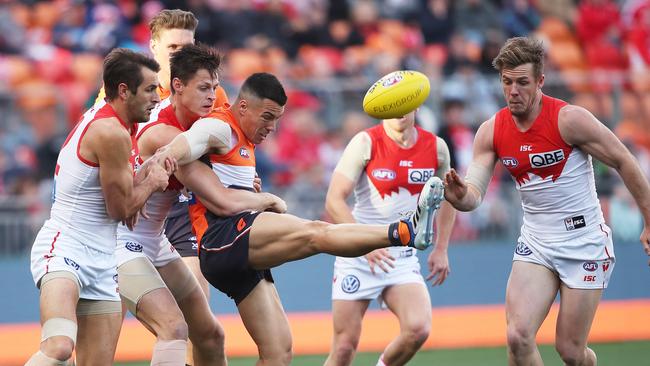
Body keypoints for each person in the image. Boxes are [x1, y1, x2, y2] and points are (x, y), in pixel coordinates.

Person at [187, 72, 445, 365]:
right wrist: (162, 157)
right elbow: (184, 143)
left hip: (239, 245)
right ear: (243, 107)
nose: (272, 127)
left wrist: (252, 189)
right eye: (268, 117)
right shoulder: (219, 124)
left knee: (279, 354)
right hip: (221, 238)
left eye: (277, 119)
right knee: (316, 234)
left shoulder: (243, 137)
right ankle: (405, 231)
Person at [443, 36, 650, 366]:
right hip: (536, 241)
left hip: (583, 241)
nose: (513, 91)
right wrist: (459, 196)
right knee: (517, 336)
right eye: (507, 82)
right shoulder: (491, 130)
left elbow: (624, 160)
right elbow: (473, 195)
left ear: (540, 80)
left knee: (570, 351)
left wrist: (649, 222)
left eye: (522, 82)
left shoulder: (569, 119)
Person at [94, 9, 230, 364]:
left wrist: (241, 174)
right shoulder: (133, 100)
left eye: (188, 46)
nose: (181, 55)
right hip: (125, 226)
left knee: (207, 331)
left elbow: (227, 148)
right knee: (113, 336)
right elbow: (98, 150)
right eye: (172, 48)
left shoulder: (210, 92)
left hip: (176, 208)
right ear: (154, 48)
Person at [27, 48, 172, 365]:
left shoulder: (120, 123)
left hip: (104, 260)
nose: (156, 99)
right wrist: (153, 180)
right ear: (124, 90)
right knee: (59, 346)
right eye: (149, 89)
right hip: (66, 249)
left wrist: (142, 177)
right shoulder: (110, 131)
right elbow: (121, 210)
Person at [323, 110, 457, 366]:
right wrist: (363, 244)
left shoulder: (437, 147)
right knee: (343, 348)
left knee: (418, 328)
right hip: (359, 254)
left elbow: (448, 195)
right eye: (391, 106)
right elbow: (333, 200)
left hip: (402, 256)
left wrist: (441, 248)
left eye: (403, 105)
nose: (398, 113)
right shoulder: (365, 142)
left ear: (416, 106)